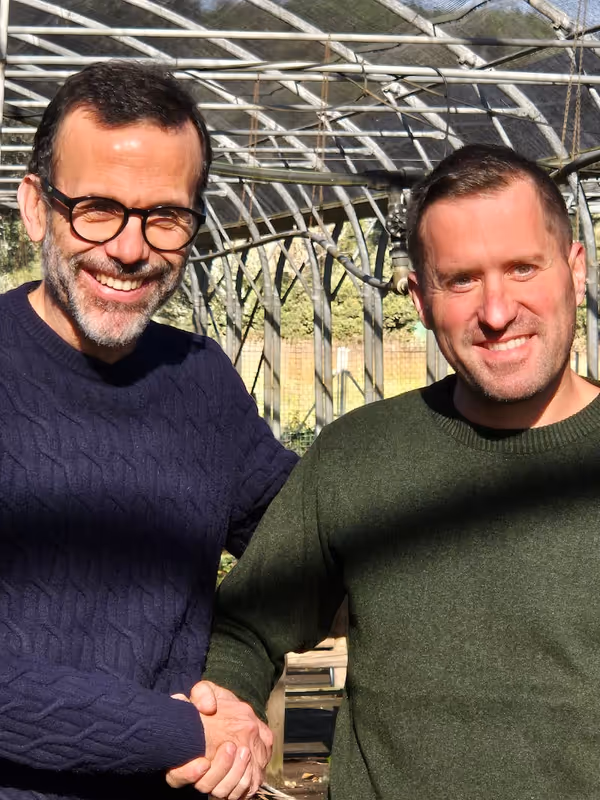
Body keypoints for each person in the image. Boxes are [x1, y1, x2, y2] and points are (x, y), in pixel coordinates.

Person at [191, 143, 600, 799]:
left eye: (523, 268)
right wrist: (228, 710)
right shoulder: (360, 456)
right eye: (461, 280)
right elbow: (245, 626)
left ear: (575, 269)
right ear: (418, 297)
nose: (496, 313)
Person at [0, 60, 297, 800]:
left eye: (165, 216)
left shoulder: (199, 379)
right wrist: (187, 732)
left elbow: (302, 533)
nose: (131, 249)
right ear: (36, 207)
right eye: (97, 208)